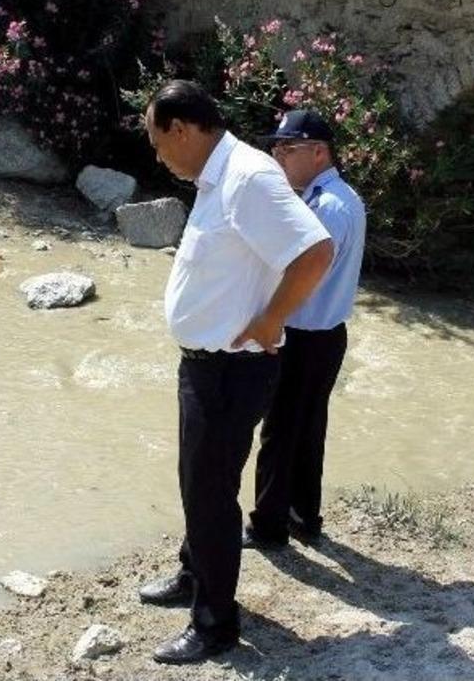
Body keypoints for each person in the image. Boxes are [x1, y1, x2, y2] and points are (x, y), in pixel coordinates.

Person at [137, 82, 335, 665]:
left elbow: (315, 251)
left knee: (209, 493)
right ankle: (194, 571)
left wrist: (274, 319)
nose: (157, 156)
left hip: (230, 369)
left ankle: (216, 623)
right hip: (206, 366)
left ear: (181, 130)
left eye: (156, 142)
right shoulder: (217, 177)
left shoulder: (248, 177)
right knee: (205, 485)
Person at [243, 109, 367, 550]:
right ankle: (302, 515)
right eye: (274, 148)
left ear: (319, 152)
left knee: (279, 430)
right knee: (307, 427)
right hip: (324, 334)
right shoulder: (333, 197)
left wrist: (267, 319)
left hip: (305, 335)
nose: (277, 158)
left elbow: (305, 274)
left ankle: (269, 526)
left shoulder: (329, 206)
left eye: (286, 149)